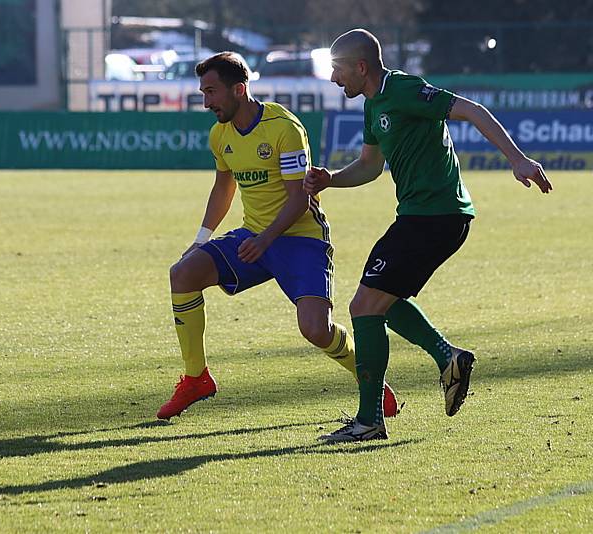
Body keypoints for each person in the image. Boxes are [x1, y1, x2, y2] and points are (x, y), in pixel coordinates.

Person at [305, 29, 552, 442]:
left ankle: (369, 421)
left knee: (365, 306)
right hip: (422, 217)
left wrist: (518, 159)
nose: (333, 79)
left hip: (436, 216)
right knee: (378, 300)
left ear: (361, 67)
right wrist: (330, 178)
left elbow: (472, 110)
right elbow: (369, 166)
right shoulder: (372, 106)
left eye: (338, 70)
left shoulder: (403, 89)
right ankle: (447, 358)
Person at [156, 52, 399, 420]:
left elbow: (300, 199)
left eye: (211, 92)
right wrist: (202, 239)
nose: (206, 102)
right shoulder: (220, 134)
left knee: (316, 330)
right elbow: (224, 188)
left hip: (301, 238)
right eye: (203, 93)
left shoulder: (283, 127)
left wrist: (266, 239)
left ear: (239, 89)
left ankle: (372, 384)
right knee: (183, 273)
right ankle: (196, 378)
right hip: (255, 236)